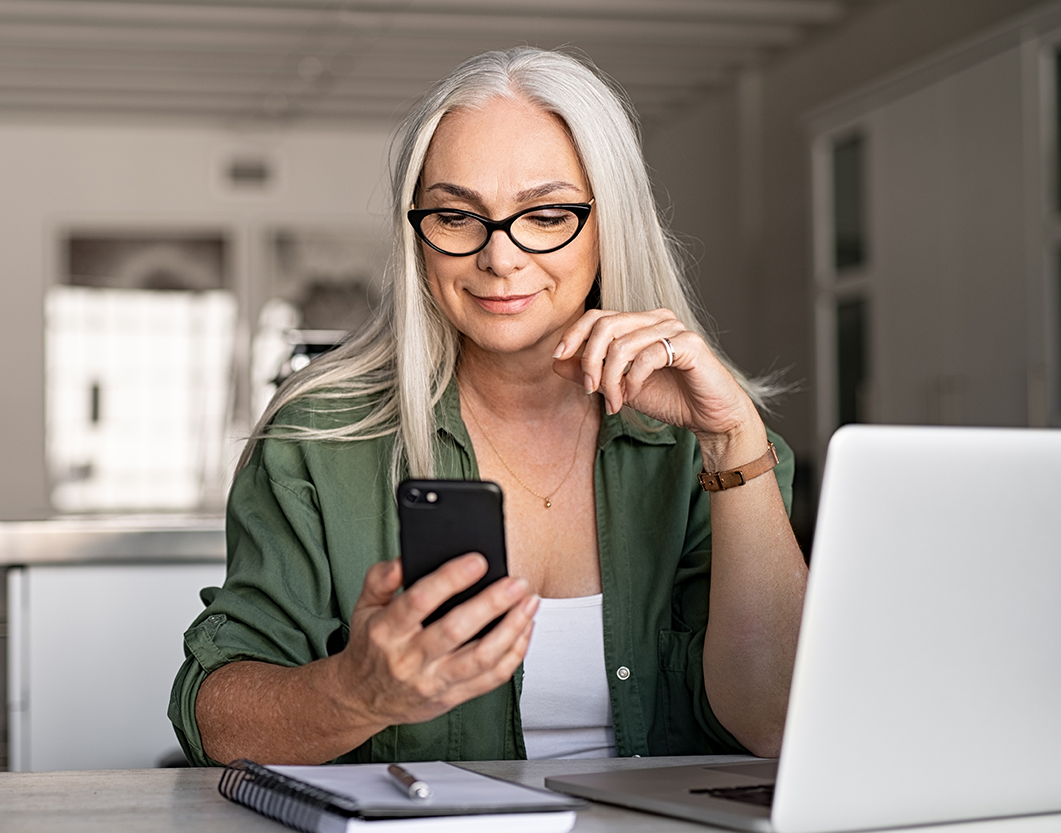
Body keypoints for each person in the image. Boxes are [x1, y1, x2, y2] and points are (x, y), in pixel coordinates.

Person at [169, 46, 808, 766]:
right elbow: (215, 718)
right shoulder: (317, 438)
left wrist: (733, 443)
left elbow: (777, 722)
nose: (499, 258)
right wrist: (357, 691)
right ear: (418, 237)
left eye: (544, 215)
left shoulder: (714, 447)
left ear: (610, 222)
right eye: (455, 216)